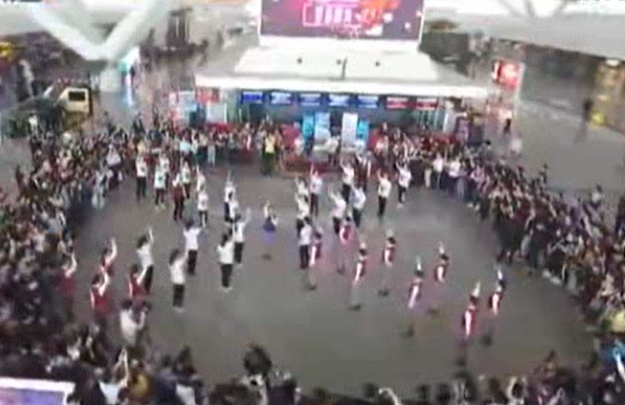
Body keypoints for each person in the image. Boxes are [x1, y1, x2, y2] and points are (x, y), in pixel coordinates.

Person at [482, 266, 506, 346]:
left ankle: (488, 335)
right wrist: (498, 270)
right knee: (489, 321)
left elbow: (495, 302)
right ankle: (488, 333)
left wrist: (494, 311)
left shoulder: (497, 293)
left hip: (492, 307)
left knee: (490, 321)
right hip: (492, 306)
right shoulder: (500, 289)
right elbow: (500, 277)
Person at [404, 255, 424, 337]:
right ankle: (411, 328)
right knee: (413, 314)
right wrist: (418, 262)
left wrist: (410, 303)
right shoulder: (420, 280)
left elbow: (414, 294)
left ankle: (411, 330)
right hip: (417, 299)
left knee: (412, 315)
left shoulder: (416, 285)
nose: (414, 277)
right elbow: (419, 269)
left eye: (415, 276)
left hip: (414, 300)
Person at [429, 242, 449, 315]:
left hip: (436, 282)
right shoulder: (442, 266)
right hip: (438, 283)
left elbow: (442, 254)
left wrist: (441, 248)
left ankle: (434, 308)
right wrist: (442, 280)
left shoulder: (442, 265)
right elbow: (440, 277)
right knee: (436, 295)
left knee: (435, 295)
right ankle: (434, 308)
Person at [57, 252, 77, 321]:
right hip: (67, 291)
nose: (69, 263)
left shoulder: (60, 271)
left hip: (65, 291)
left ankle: (69, 316)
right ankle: (69, 317)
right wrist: (72, 257)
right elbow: (74, 266)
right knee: (68, 305)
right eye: (68, 262)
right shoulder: (65, 272)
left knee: (67, 304)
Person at [349, 241, 368, 311]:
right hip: (362, 276)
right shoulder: (365, 258)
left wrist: (355, 279)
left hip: (358, 277)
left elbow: (358, 270)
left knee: (355, 291)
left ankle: (355, 304)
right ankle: (358, 303)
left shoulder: (359, 261)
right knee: (359, 290)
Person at [298, 217, 315, 290]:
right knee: (306, 254)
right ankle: (307, 262)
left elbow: (301, 235)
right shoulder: (310, 228)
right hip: (308, 243)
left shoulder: (303, 229)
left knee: (302, 254)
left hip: (302, 243)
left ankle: (303, 264)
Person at [136, 227, 155, 294]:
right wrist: (150, 233)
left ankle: (145, 287)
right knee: (149, 277)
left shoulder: (138, 249)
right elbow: (152, 240)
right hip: (150, 263)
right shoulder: (147, 246)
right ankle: (147, 288)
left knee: (147, 276)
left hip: (145, 264)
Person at [378, 230, 397, 296]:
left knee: (385, 276)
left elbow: (386, 254)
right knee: (386, 276)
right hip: (389, 262)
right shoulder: (391, 246)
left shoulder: (389, 247)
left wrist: (386, 261)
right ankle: (384, 288)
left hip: (388, 262)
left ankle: (383, 289)